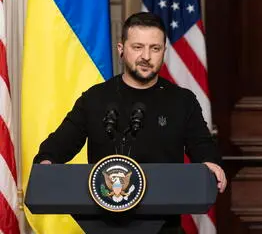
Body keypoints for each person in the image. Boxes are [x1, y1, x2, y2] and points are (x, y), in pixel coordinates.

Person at [34, 12, 226, 233]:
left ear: (164, 51)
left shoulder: (182, 100)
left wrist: (211, 162)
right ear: (121, 49)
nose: (146, 56)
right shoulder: (95, 98)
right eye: (137, 47)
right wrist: (47, 162)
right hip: (104, 224)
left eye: (155, 48)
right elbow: (57, 146)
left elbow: (202, 146)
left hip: (165, 226)